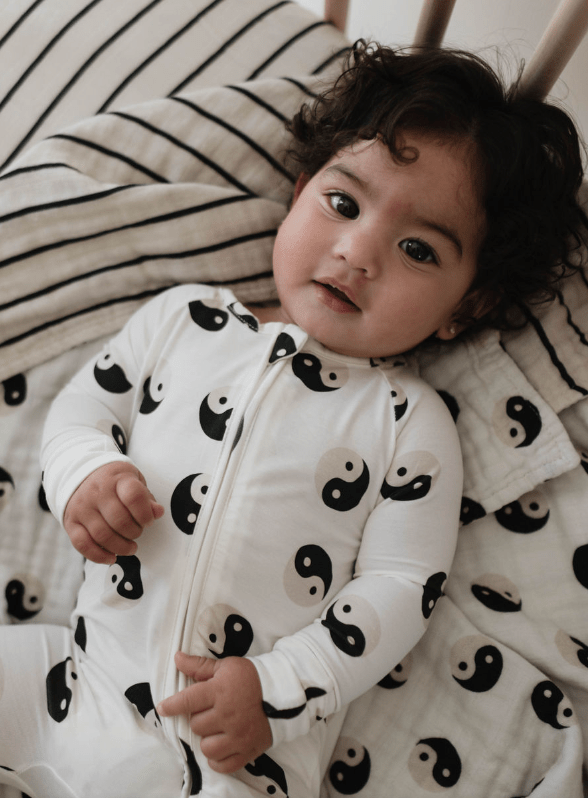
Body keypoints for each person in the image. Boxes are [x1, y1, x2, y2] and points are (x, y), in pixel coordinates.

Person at [1, 41, 586, 798]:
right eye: (342, 205)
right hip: (75, 681)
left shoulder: (410, 423)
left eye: (417, 249)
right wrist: (86, 474)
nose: (357, 253)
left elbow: (401, 587)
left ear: (466, 307)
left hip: (229, 758)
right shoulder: (184, 320)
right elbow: (84, 407)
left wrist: (277, 689)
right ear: (301, 191)